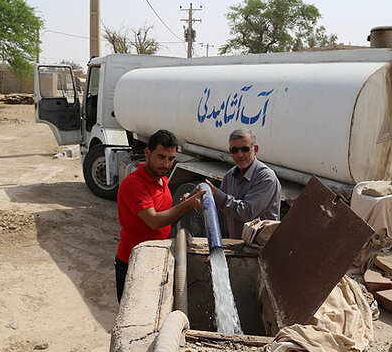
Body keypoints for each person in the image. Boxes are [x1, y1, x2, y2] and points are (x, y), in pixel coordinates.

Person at [116, 129, 205, 302]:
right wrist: (187, 205)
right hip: (134, 262)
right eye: (161, 157)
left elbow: (164, 216)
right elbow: (154, 221)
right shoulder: (134, 184)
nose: (166, 164)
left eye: (171, 159)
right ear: (147, 153)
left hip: (156, 259)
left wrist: (181, 205)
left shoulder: (162, 179)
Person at [206, 128, 281, 239]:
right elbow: (222, 208)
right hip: (237, 245)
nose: (239, 154)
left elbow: (246, 213)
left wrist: (217, 194)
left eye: (245, 149)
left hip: (260, 249)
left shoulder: (266, 177)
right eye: (235, 150)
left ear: (255, 150)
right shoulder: (229, 176)